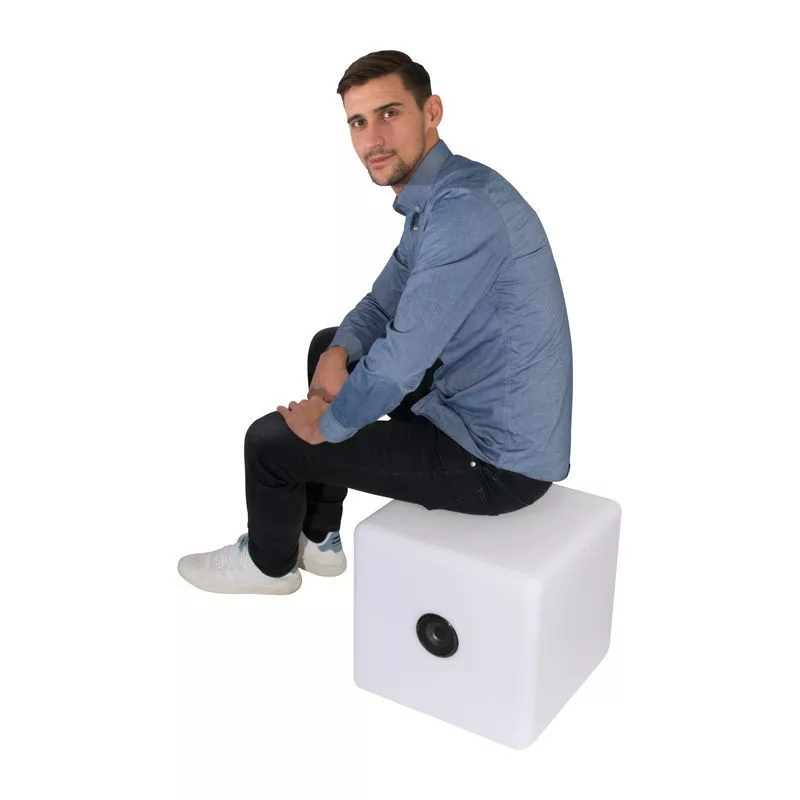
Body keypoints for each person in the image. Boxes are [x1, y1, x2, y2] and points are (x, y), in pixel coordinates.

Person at [177, 50, 573, 596]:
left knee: (269, 444)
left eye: (389, 113)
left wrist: (325, 424)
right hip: (473, 403)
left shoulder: (464, 211)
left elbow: (403, 359)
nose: (373, 139)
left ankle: (270, 566)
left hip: (497, 462)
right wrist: (336, 357)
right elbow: (381, 305)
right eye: (358, 122)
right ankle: (320, 538)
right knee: (327, 345)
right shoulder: (442, 194)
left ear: (431, 111)